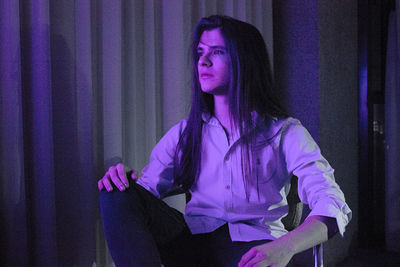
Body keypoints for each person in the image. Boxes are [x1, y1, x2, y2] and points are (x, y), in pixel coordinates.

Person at [98, 15, 352, 267]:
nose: (203, 62)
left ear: (245, 61)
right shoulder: (186, 133)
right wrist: (123, 182)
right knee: (115, 194)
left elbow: (332, 203)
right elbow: (145, 196)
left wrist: (284, 247)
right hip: (191, 241)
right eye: (200, 52)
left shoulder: (284, 132)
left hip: (254, 245)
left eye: (217, 52)